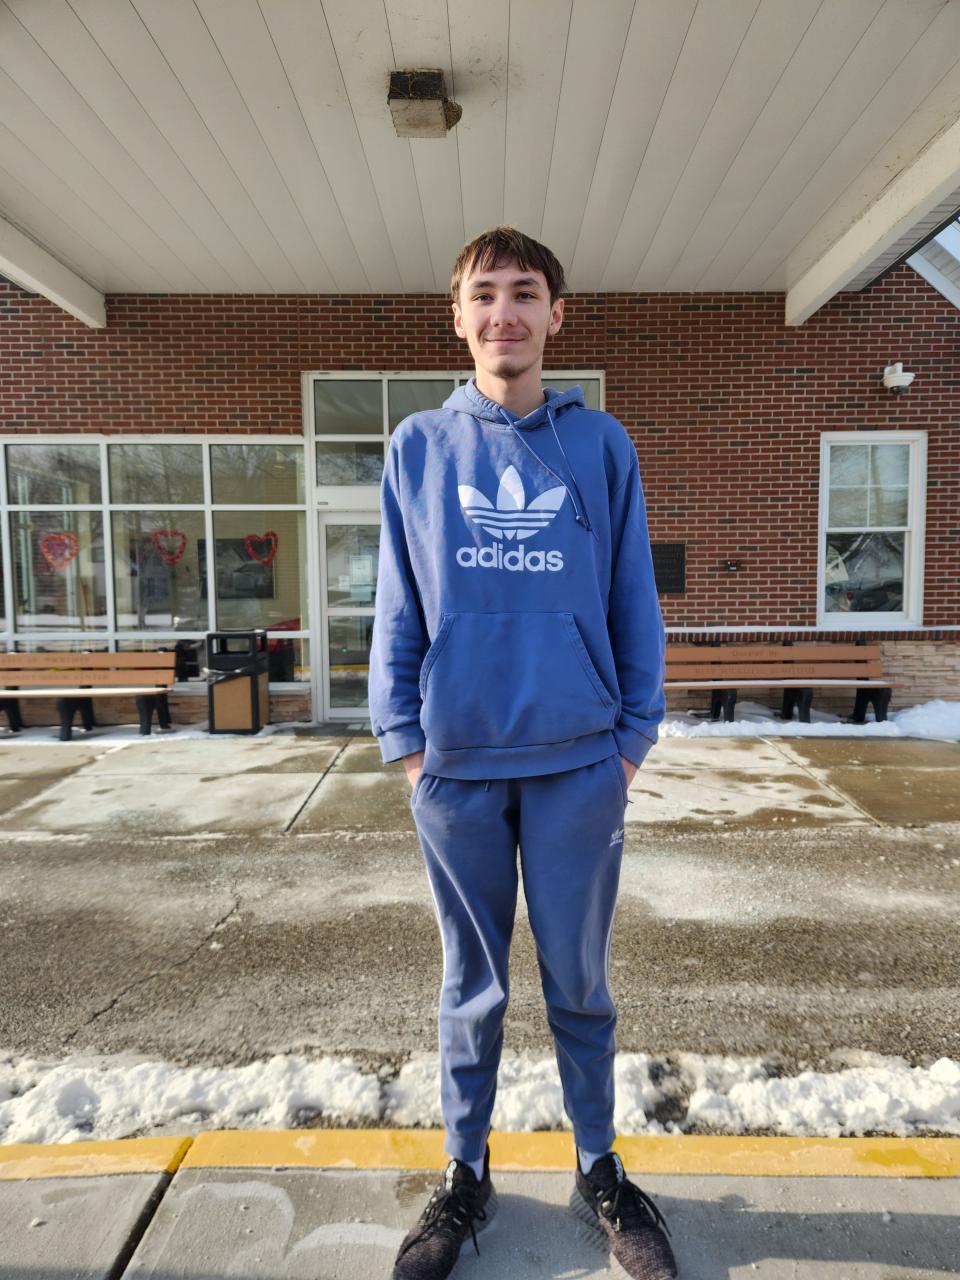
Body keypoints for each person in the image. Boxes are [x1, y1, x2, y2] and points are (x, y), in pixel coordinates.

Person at [368, 225, 676, 1280]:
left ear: (556, 314)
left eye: (525, 291)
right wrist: (407, 745)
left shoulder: (602, 447)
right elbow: (397, 607)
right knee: (473, 986)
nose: (505, 310)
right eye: (485, 292)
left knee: (580, 982)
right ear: (458, 316)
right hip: (457, 766)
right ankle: (466, 1173)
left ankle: (599, 1167)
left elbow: (633, 599)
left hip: (579, 764)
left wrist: (629, 742)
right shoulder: (418, 448)